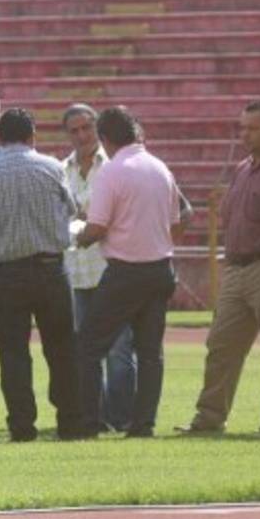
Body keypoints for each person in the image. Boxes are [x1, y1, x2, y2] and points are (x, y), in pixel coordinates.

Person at [176, 101, 260, 436]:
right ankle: (209, 418)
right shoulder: (243, 167)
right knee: (220, 346)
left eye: (252, 128)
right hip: (236, 267)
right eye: (241, 128)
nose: (244, 134)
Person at [0, 108, 83, 442]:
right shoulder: (52, 168)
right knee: (62, 349)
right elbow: (72, 211)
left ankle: (22, 425)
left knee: (13, 353)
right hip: (50, 268)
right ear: (33, 135)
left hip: (5, 273)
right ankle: (70, 423)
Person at [75, 107, 182, 438]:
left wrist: (77, 237)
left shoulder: (113, 170)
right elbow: (176, 221)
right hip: (160, 267)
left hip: (125, 270)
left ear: (105, 139)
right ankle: (143, 423)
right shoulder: (161, 168)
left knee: (88, 346)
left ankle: (89, 422)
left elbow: (96, 227)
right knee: (151, 352)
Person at [60, 103, 137, 432]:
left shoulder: (116, 166)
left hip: (111, 268)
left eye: (86, 128)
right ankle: (98, 416)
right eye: (74, 130)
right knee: (86, 351)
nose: (81, 136)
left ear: (99, 130)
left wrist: (87, 220)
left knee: (119, 350)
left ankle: (122, 417)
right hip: (78, 272)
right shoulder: (61, 169)